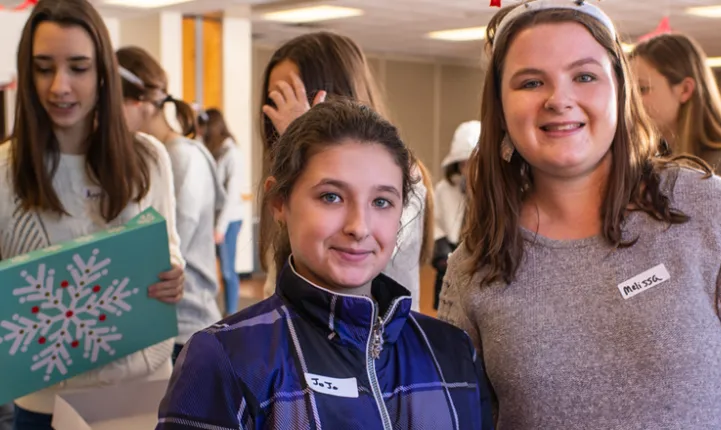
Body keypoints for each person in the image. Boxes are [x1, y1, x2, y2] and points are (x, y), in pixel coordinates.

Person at [437, 0, 721, 428]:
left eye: (585, 76)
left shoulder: (713, 214)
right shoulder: (474, 265)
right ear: (500, 110)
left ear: (620, 91)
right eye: (532, 82)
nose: (559, 99)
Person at [156, 99, 492, 429]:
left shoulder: (452, 352)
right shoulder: (226, 359)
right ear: (279, 202)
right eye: (331, 197)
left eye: (381, 201)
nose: (359, 226)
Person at [0, 0, 185, 428]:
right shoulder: (7, 171)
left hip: (143, 390)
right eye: (44, 68)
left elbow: (170, 251)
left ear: (103, 73)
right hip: (46, 402)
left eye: (78, 68)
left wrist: (173, 275)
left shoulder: (148, 157)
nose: (60, 86)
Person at [259, 31, 434, 310]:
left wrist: (304, 135)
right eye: (276, 102)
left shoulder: (401, 174)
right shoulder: (287, 185)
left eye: (296, 98)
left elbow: (365, 255)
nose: (281, 116)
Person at [117, 46, 224, 362]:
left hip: (186, 327)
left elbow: (166, 250)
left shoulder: (182, 157)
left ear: (140, 103)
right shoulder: (148, 158)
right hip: (159, 323)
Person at [629, 32, 721, 214]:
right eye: (629, 92)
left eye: (642, 89)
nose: (632, 102)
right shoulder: (649, 159)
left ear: (685, 90)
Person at [200, 108, 245, 316]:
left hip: (229, 221)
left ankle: (232, 314)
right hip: (214, 220)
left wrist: (220, 228)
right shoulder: (216, 152)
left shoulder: (231, 154)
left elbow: (231, 196)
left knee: (227, 271)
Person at [432, 120, 480, 309]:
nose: (469, 169)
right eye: (464, 164)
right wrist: (442, 253)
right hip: (449, 260)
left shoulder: (496, 194)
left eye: (475, 163)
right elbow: (436, 224)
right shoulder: (445, 190)